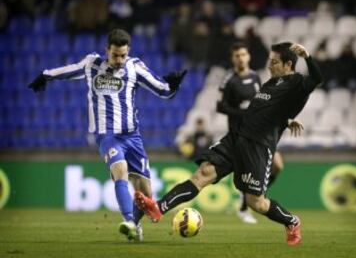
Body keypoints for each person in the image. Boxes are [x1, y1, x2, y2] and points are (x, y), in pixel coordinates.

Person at [135, 42, 323, 246]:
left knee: (256, 203)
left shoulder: (297, 83)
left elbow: (317, 79)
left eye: (275, 62)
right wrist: (285, 120)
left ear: (288, 64)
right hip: (236, 138)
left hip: (258, 146)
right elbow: (265, 111)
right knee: (202, 174)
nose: (269, 65)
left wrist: (307, 56)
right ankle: (158, 208)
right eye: (269, 61)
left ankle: (292, 221)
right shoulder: (271, 82)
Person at [28, 29, 187, 241]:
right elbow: (68, 70)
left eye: (123, 55)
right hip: (107, 135)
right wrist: (46, 75)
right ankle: (129, 221)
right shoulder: (92, 64)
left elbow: (163, 91)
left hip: (132, 136)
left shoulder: (135, 67)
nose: (119, 60)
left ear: (128, 51)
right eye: (115, 55)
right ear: (107, 51)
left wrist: (174, 86)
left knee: (146, 193)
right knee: (120, 170)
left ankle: (135, 225)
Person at [216, 42, 287, 224]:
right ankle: (247, 204)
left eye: (243, 54)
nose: (240, 58)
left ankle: (252, 197)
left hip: (260, 131)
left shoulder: (256, 77)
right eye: (237, 55)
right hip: (241, 134)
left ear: (248, 56)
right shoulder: (228, 80)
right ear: (233, 58)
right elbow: (220, 106)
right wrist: (242, 112)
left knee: (278, 165)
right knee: (246, 172)